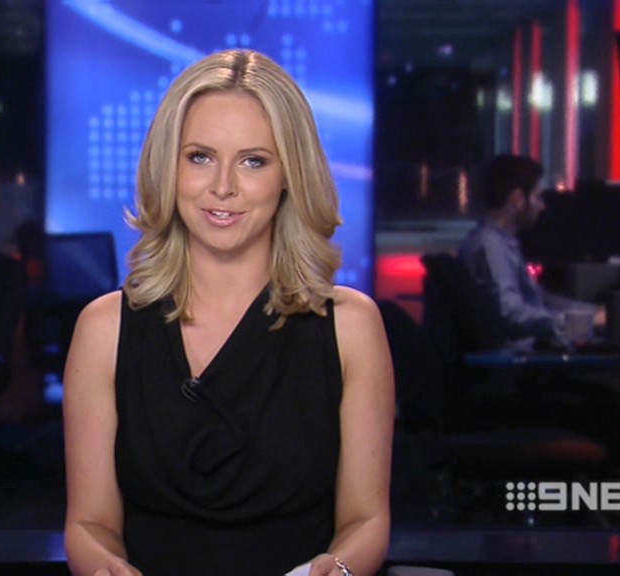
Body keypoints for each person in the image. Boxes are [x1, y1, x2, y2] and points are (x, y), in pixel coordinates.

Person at [63, 49, 394, 576]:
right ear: (169, 167)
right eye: (200, 157)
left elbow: (366, 519)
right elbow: (89, 523)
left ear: (289, 175)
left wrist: (340, 567)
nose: (223, 186)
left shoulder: (350, 328)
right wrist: (105, 566)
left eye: (253, 161)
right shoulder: (104, 330)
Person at [457, 154, 603, 351]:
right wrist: (581, 323)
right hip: (516, 361)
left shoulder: (501, 242)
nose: (542, 206)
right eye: (538, 197)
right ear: (518, 199)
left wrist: (591, 314)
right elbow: (511, 315)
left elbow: (539, 300)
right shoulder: (491, 247)